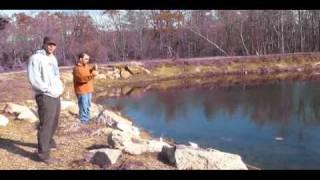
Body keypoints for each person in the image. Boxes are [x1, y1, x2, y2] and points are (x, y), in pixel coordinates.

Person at [27, 36, 64, 164]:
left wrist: (59, 88)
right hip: (45, 95)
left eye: (54, 45)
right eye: (49, 44)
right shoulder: (36, 58)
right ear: (44, 44)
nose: (51, 47)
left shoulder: (53, 58)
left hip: (55, 94)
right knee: (46, 124)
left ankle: (48, 143)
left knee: (54, 122)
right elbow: (34, 79)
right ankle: (43, 155)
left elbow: (56, 75)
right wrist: (47, 89)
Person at [73, 53, 98, 124]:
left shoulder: (86, 66)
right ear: (80, 59)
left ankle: (88, 119)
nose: (88, 60)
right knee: (83, 107)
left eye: (88, 59)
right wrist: (92, 75)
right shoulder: (76, 68)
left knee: (88, 106)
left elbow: (87, 72)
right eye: (86, 59)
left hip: (88, 90)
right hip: (82, 91)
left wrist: (93, 69)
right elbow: (81, 79)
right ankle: (84, 122)